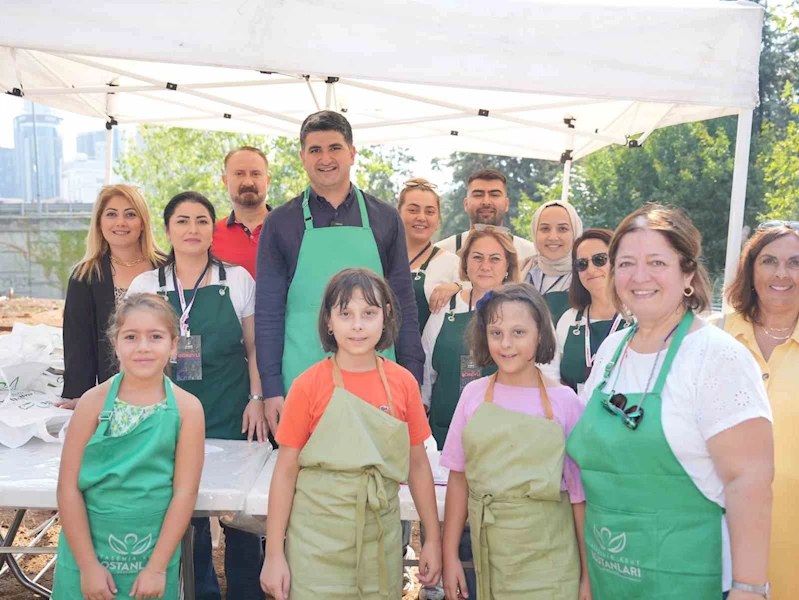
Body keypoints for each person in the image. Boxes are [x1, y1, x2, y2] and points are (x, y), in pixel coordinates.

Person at [566, 205, 774, 600]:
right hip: (610, 575)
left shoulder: (717, 356)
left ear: (688, 274)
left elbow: (749, 481)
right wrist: (588, 581)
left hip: (689, 579)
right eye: (626, 263)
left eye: (656, 262)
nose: (639, 277)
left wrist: (749, 589)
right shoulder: (613, 349)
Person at [260, 268, 442, 600]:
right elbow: (285, 472)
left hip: (380, 542)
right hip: (315, 543)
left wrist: (432, 539)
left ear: (385, 318)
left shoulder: (403, 384)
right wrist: (274, 554)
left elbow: (418, 466)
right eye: (345, 314)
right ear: (328, 321)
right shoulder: (308, 385)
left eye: (369, 313)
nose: (357, 325)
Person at [127, 191, 267, 600]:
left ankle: (246, 591)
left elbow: (256, 347)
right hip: (169, 414)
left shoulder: (237, 279)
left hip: (232, 408)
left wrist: (256, 399)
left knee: (241, 516)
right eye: (183, 221)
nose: (193, 229)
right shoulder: (146, 284)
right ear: (168, 230)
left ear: (213, 229)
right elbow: (135, 352)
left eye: (202, 220)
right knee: (185, 510)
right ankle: (199, 590)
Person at [255, 110, 424, 437]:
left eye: (334, 148)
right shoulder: (280, 223)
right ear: (303, 157)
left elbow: (403, 303)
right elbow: (268, 312)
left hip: (378, 380)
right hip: (301, 376)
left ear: (352, 153)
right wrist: (272, 388)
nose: (325, 158)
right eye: (315, 150)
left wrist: (411, 375)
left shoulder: (386, 219)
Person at [441, 283, 590, 600]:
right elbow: (458, 478)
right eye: (496, 333)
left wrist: (588, 578)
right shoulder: (473, 395)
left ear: (541, 335)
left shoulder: (565, 402)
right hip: (490, 555)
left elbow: (580, 498)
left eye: (519, 332)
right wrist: (450, 554)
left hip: (552, 562)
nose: (506, 344)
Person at [53, 293, 205, 600]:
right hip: (87, 552)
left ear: (174, 345)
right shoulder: (92, 404)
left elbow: (184, 493)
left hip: (152, 555)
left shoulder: (188, 409)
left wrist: (157, 568)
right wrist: (88, 566)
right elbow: (68, 488)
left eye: (156, 336)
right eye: (131, 336)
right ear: (115, 343)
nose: (144, 347)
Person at [724, 221, 799, 600]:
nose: (782, 273)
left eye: (795, 262)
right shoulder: (718, 336)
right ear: (751, 271)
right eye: (769, 261)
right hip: (724, 529)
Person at [59, 184, 165, 409]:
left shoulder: (168, 268)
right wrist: (81, 397)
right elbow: (78, 343)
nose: (120, 223)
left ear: (143, 222)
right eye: (111, 214)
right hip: (114, 397)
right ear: (99, 223)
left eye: (130, 214)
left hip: (169, 390)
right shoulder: (85, 276)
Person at [556, 229, 632, 393]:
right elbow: (553, 376)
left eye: (600, 260)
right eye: (582, 264)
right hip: (576, 415)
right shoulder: (568, 320)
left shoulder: (640, 318)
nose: (590, 270)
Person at [435, 169, 537, 264]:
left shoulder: (531, 255)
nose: (486, 202)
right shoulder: (441, 253)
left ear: (506, 204)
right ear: (466, 204)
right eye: (478, 195)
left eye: (494, 195)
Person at [399, 177, 461, 331]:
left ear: (438, 220)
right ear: (398, 214)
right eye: (413, 210)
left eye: (430, 212)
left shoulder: (452, 263)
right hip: (378, 353)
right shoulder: (379, 258)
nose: (421, 217)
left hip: (425, 353)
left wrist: (458, 286)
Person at [212, 146, 273, 278]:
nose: (248, 182)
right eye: (239, 174)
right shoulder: (210, 237)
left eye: (255, 174)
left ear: (267, 181)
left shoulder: (290, 229)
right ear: (225, 181)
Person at [523, 199, 584, 324]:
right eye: (545, 229)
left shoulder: (587, 275)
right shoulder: (522, 271)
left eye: (562, 229)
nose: (553, 237)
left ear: (575, 233)